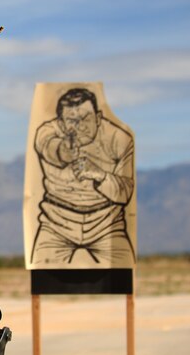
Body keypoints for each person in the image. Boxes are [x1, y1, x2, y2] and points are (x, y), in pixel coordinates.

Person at [30, 87, 135, 267]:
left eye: (85, 118)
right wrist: (64, 152)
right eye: (72, 121)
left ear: (98, 117)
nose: (79, 126)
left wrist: (99, 175)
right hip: (56, 221)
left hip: (106, 222)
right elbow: (48, 146)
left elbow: (125, 193)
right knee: (41, 273)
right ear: (61, 124)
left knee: (123, 272)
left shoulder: (119, 139)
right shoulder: (46, 131)